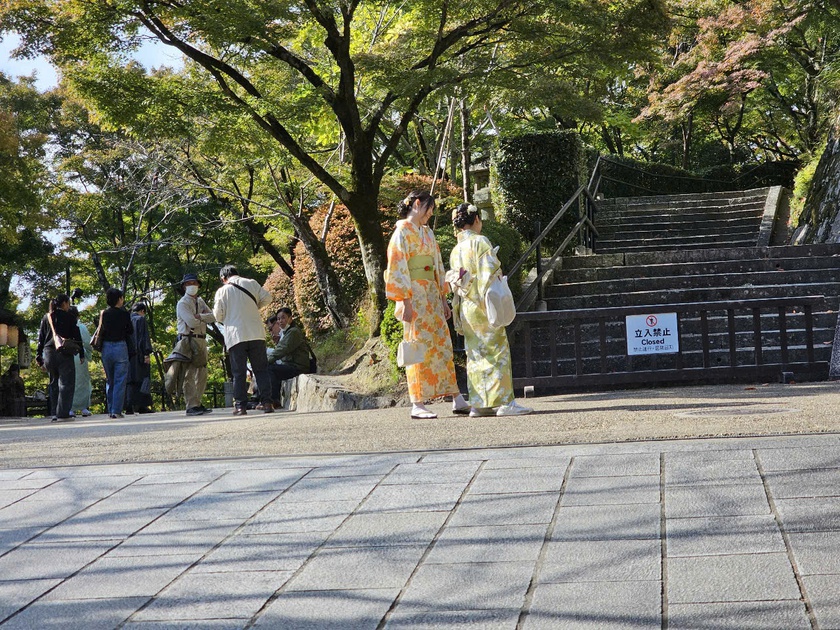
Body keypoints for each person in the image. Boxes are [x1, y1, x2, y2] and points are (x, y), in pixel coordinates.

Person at [385, 190, 469, 419]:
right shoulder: (401, 233)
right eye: (429, 209)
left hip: (431, 295)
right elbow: (397, 268)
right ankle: (417, 402)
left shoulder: (428, 233)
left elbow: (437, 266)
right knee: (417, 347)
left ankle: (456, 396)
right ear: (417, 204)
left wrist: (444, 299)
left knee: (443, 345)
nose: (430, 214)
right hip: (413, 296)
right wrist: (405, 301)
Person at [449, 203, 532, 417]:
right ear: (476, 220)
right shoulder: (480, 242)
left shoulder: (456, 249)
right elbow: (488, 276)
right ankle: (506, 402)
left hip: (467, 307)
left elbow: (456, 282)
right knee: (498, 351)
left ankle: (479, 404)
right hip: (484, 305)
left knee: (475, 355)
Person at [213, 265, 274, 415]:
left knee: (238, 372)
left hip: (235, 335)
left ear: (223, 278)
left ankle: (240, 406)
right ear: (237, 273)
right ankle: (267, 403)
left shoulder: (222, 291)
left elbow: (217, 316)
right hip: (256, 333)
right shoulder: (251, 283)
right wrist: (254, 306)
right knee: (261, 370)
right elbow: (268, 298)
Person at [36, 293, 84, 422]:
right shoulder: (69, 317)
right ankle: (63, 413)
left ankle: (54, 412)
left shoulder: (47, 317)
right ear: (64, 303)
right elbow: (76, 335)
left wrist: (39, 356)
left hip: (49, 353)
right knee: (66, 383)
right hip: (64, 352)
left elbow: (41, 338)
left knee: (54, 382)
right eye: (68, 303)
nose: (69, 306)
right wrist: (82, 353)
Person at [177, 273, 216, 416]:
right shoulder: (182, 303)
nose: (192, 286)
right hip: (188, 339)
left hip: (202, 339)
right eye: (188, 283)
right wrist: (203, 318)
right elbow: (191, 322)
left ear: (198, 285)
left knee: (202, 373)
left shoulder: (200, 301)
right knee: (189, 373)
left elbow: (213, 317)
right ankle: (191, 405)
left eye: (194, 283)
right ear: (184, 286)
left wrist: (200, 316)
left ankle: (197, 402)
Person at [99, 287, 134, 419]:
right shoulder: (124, 314)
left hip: (106, 347)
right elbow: (130, 330)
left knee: (110, 380)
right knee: (120, 379)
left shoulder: (104, 313)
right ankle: (116, 410)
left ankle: (110, 408)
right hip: (120, 346)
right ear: (119, 299)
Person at [266, 308, 310, 407]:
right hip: (291, 365)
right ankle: (264, 399)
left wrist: (266, 361)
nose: (280, 321)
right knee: (272, 368)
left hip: (297, 367)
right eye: (278, 319)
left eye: (283, 318)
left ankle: (274, 400)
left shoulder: (293, 332)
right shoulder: (287, 332)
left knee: (269, 368)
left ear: (290, 318)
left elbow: (282, 350)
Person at [126, 302, 154, 414]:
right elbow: (144, 337)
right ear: (142, 311)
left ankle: (129, 406)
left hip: (128, 354)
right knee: (143, 379)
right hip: (139, 354)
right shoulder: (140, 320)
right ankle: (142, 405)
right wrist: (146, 353)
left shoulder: (127, 319)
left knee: (130, 380)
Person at [69, 306, 93, 418]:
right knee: (82, 382)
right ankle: (83, 407)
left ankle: (70, 408)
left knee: (68, 382)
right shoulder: (81, 327)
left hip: (67, 355)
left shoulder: (63, 325)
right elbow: (88, 343)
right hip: (80, 356)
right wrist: (88, 354)